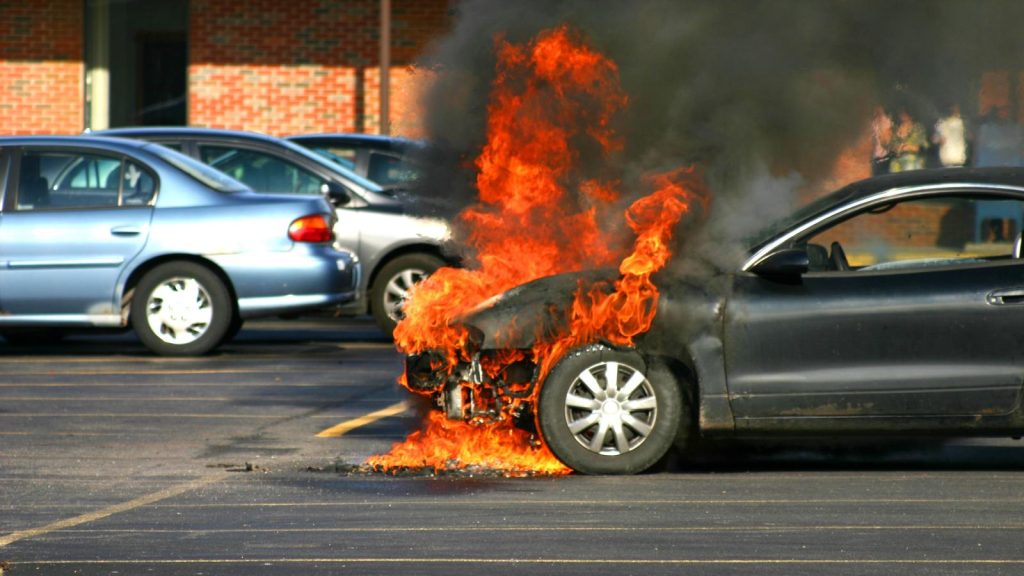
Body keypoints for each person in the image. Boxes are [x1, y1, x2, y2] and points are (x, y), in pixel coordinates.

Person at [870, 106, 894, 175]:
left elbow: (887, 141)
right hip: (874, 160)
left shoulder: (886, 120)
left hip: (884, 159)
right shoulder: (873, 121)